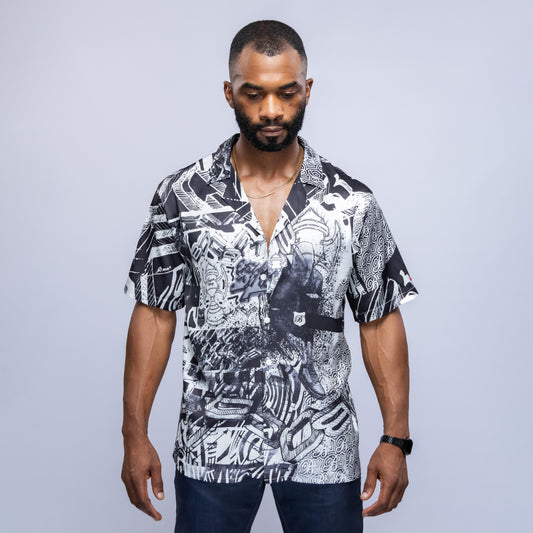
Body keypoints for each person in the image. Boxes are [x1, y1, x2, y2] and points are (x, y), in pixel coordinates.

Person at [121, 19, 418, 533]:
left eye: (286, 92)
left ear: (307, 89)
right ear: (229, 92)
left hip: (321, 446)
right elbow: (154, 315)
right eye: (254, 94)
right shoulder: (181, 196)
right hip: (213, 443)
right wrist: (134, 433)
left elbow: (378, 319)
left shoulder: (351, 203)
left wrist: (395, 438)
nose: (272, 110)